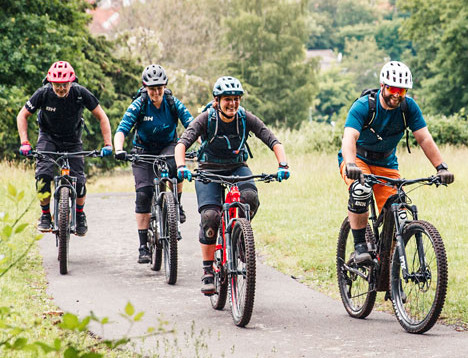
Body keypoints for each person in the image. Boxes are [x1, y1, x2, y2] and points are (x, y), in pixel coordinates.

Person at [175, 75, 290, 295]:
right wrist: (181, 167)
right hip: (208, 169)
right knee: (210, 217)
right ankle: (208, 270)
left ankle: (239, 237)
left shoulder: (245, 118)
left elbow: (272, 140)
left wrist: (282, 164)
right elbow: (182, 144)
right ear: (217, 101)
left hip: (237, 167)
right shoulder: (205, 119)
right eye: (227, 99)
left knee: (250, 197)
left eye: (236, 99)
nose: (233, 103)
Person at [339, 61, 453, 267]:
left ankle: (388, 268)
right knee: (360, 191)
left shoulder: (408, 108)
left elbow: (424, 138)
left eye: (401, 90)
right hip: (358, 160)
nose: (397, 94)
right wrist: (350, 163)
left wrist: (441, 167)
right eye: (392, 88)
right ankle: (360, 248)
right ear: (383, 86)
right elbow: (349, 138)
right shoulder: (364, 106)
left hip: (386, 163)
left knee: (398, 211)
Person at [16, 60, 114, 236]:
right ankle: (45, 215)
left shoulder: (80, 93)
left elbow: (102, 117)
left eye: (64, 85)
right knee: (43, 176)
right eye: (57, 85)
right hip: (48, 137)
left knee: (80, 180)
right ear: (50, 82)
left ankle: (79, 214)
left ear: (71, 81)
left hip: (72, 139)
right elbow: (22, 115)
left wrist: (108, 144)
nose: (61, 89)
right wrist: (25, 142)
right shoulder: (43, 94)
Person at [113, 63, 193, 264]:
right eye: (152, 89)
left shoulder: (172, 102)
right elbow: (122, 129)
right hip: (143, 150)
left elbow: (192, 126)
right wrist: (119, 149)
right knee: (144, 193)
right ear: (145, 87)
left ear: (165, 86)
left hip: (168, 145)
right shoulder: (139, 104)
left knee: (177, 166)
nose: (156, 93)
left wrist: (202, 144)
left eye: (160, 88)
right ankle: (143, 246)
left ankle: (177, 205)